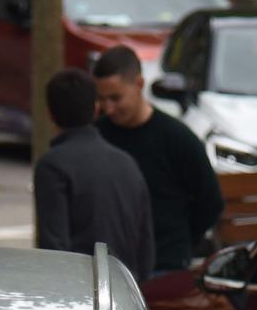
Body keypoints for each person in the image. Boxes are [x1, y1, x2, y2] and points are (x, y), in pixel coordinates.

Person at [92, 46, 222, 273]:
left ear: (139, 84)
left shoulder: (177, 137)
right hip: (109, 265)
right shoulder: (97, 135)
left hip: (164, 263)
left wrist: (180, 243)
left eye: (115, 98)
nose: (108, 108)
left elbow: (210, 201)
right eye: (101, 99)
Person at [34, 68, 155, 282]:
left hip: (81, 295)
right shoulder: (127, 163)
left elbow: (54, 249)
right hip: (126, 293)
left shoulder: (52, 166)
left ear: (50, 114)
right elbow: (145, 247)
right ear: (95, 108)